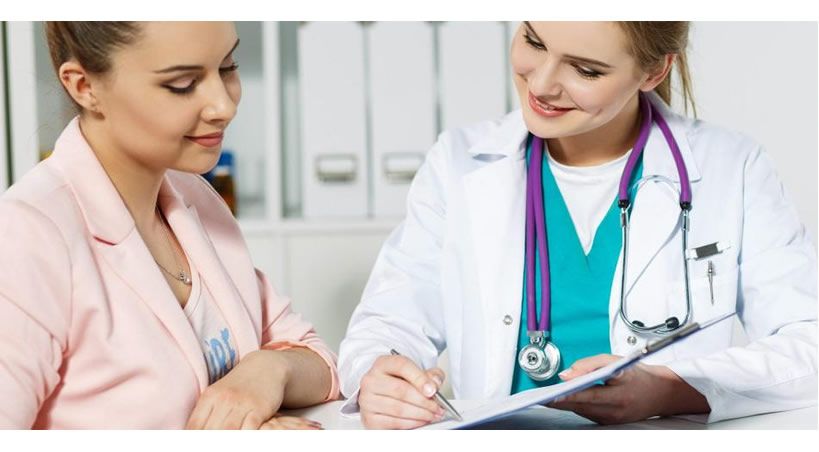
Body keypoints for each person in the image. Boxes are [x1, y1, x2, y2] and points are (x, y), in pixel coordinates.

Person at [338, 21, 817, 429]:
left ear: (654, 71)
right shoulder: (459, 163)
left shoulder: (732, 168)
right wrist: (380, 375)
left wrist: (671, 388)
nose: (542, 84)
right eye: (534, 41)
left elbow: (808, 343)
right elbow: (387, 322)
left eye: (586, 70)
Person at [0, 21, 339, 429]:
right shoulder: (27, 236)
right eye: (182, 84)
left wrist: (267, 371)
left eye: (227, 67)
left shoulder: (194, 198)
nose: (224, 106)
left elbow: (319, 361)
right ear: (84, 86)